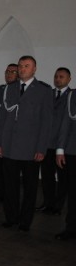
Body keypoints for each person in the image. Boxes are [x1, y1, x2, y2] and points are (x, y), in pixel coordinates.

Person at [0, 55, 53, 232]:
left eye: (26, 66)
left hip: (30, 148)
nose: (22, 69)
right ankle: (11, 217)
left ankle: (25, 221)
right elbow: (2, 119)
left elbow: (46, 122)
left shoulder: (43, 90)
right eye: (20, 66)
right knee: (10, 185)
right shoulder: (9, 89)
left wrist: (41, 148)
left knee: (30, 187)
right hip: (10, 146)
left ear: (34, 69)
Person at [39, 67, 71, 215]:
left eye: (62, 77)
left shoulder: (71, 96)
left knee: (63, 178)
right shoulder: (48, 94)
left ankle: (58, 206)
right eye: (56, 76)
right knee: (47, 176)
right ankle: (48, 203)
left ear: (68, 79)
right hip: (47, 143)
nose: (58, 79)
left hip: (63, 145)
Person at [0, 64, 18, 203]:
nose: (9, 74)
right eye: (7, 71)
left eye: (13, 72)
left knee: (11, 171)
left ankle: (9, 197)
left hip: (13, 137)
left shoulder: (20, 90)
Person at [55, 89, 76, 240]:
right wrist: (60, 150)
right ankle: (71, 228)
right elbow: (66, 123)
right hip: (73, 151)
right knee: (73, 193)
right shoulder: (73, 95)